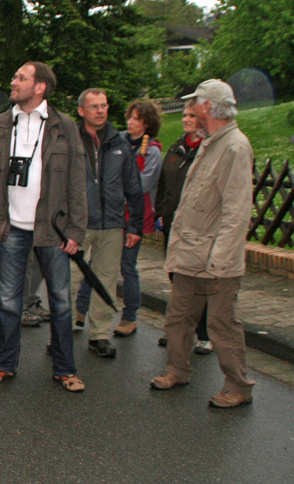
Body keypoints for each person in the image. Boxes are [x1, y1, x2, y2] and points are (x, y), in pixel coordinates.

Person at [0, 62, 87, 392]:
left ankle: (65, 368)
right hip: (11, 228)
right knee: (9, 300)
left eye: (20, 78)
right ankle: (5, 364)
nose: (13, 81)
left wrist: (76, 231)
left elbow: (77, 183)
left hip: (53, 230)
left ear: (39, 87)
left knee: (61, 301)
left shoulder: (64, 126)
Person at [150, 79, 256, 408]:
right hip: (190, 255)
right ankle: (177, 370)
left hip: (216, 261)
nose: (191, 109)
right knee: (178, 317)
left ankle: (238, 386)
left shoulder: (235, 147)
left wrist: (220, 264)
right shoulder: (209, 143)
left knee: (222, 324)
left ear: (207, 106)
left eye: (194, 102)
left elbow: (237, 212)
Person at [72, 88, 144, 358]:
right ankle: (62, 332)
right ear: (82, 111)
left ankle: (99, 335)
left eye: (103, 106)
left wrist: (135, 226)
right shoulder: (70, 142)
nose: (100, 111)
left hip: (112, 224)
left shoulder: (120, 144)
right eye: (94, 106)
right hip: (78, 225)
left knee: (105, 281)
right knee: (68, 280)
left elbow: (133, 187)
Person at [154, 100, 212, 355]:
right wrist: (160, 212)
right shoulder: (177, 148)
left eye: (191, 115)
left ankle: (204, 334)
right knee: (176, 278)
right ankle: (178, 330)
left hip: (199, 227)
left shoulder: (210, 149)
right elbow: (164, 183)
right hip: (173, 224)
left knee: (198, 280)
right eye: (185, 115)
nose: (186, 119)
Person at [117, 100, 162, 336]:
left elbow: (143, 183)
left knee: (127, 266)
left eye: (136, 118)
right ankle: (81, 311)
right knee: (96, 263)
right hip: (114, 213)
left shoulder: (152, 151)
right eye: (130, 117)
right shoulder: (119, 142)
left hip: (136, 217)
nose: (131, 122)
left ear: (147, 123)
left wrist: (116, 183)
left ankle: (130, 316)